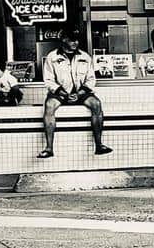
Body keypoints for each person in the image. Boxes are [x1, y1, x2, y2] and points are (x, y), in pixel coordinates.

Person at [38, 27, 112, 159]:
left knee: (96, 104)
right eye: (72, 40)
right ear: (64, 40)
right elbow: (48, 80)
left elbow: (91, 79)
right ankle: (49, 148)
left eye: (77, 40)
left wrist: (79, 93)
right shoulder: (52, 57)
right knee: (49, 106)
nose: (76, 43)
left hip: (80, 93)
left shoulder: (85, 57)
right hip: (60, 93)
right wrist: (62, 93)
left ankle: (99, 145)